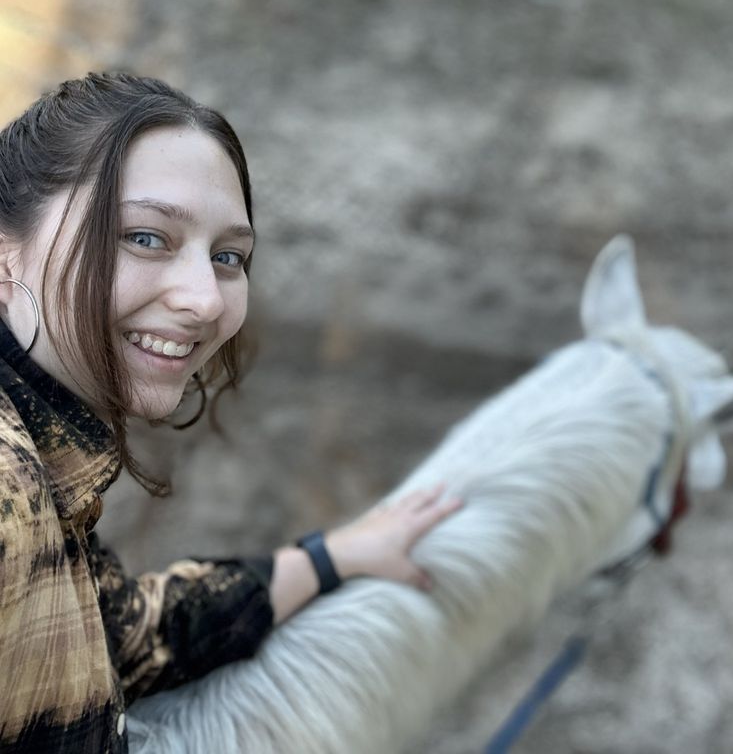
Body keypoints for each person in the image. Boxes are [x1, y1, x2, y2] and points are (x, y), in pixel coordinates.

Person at [0, 72, 462, 754]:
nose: (206, 301)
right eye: (146, 237)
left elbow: (117, 636)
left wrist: (329, 559)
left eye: (227, 257)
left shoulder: (45, 465)